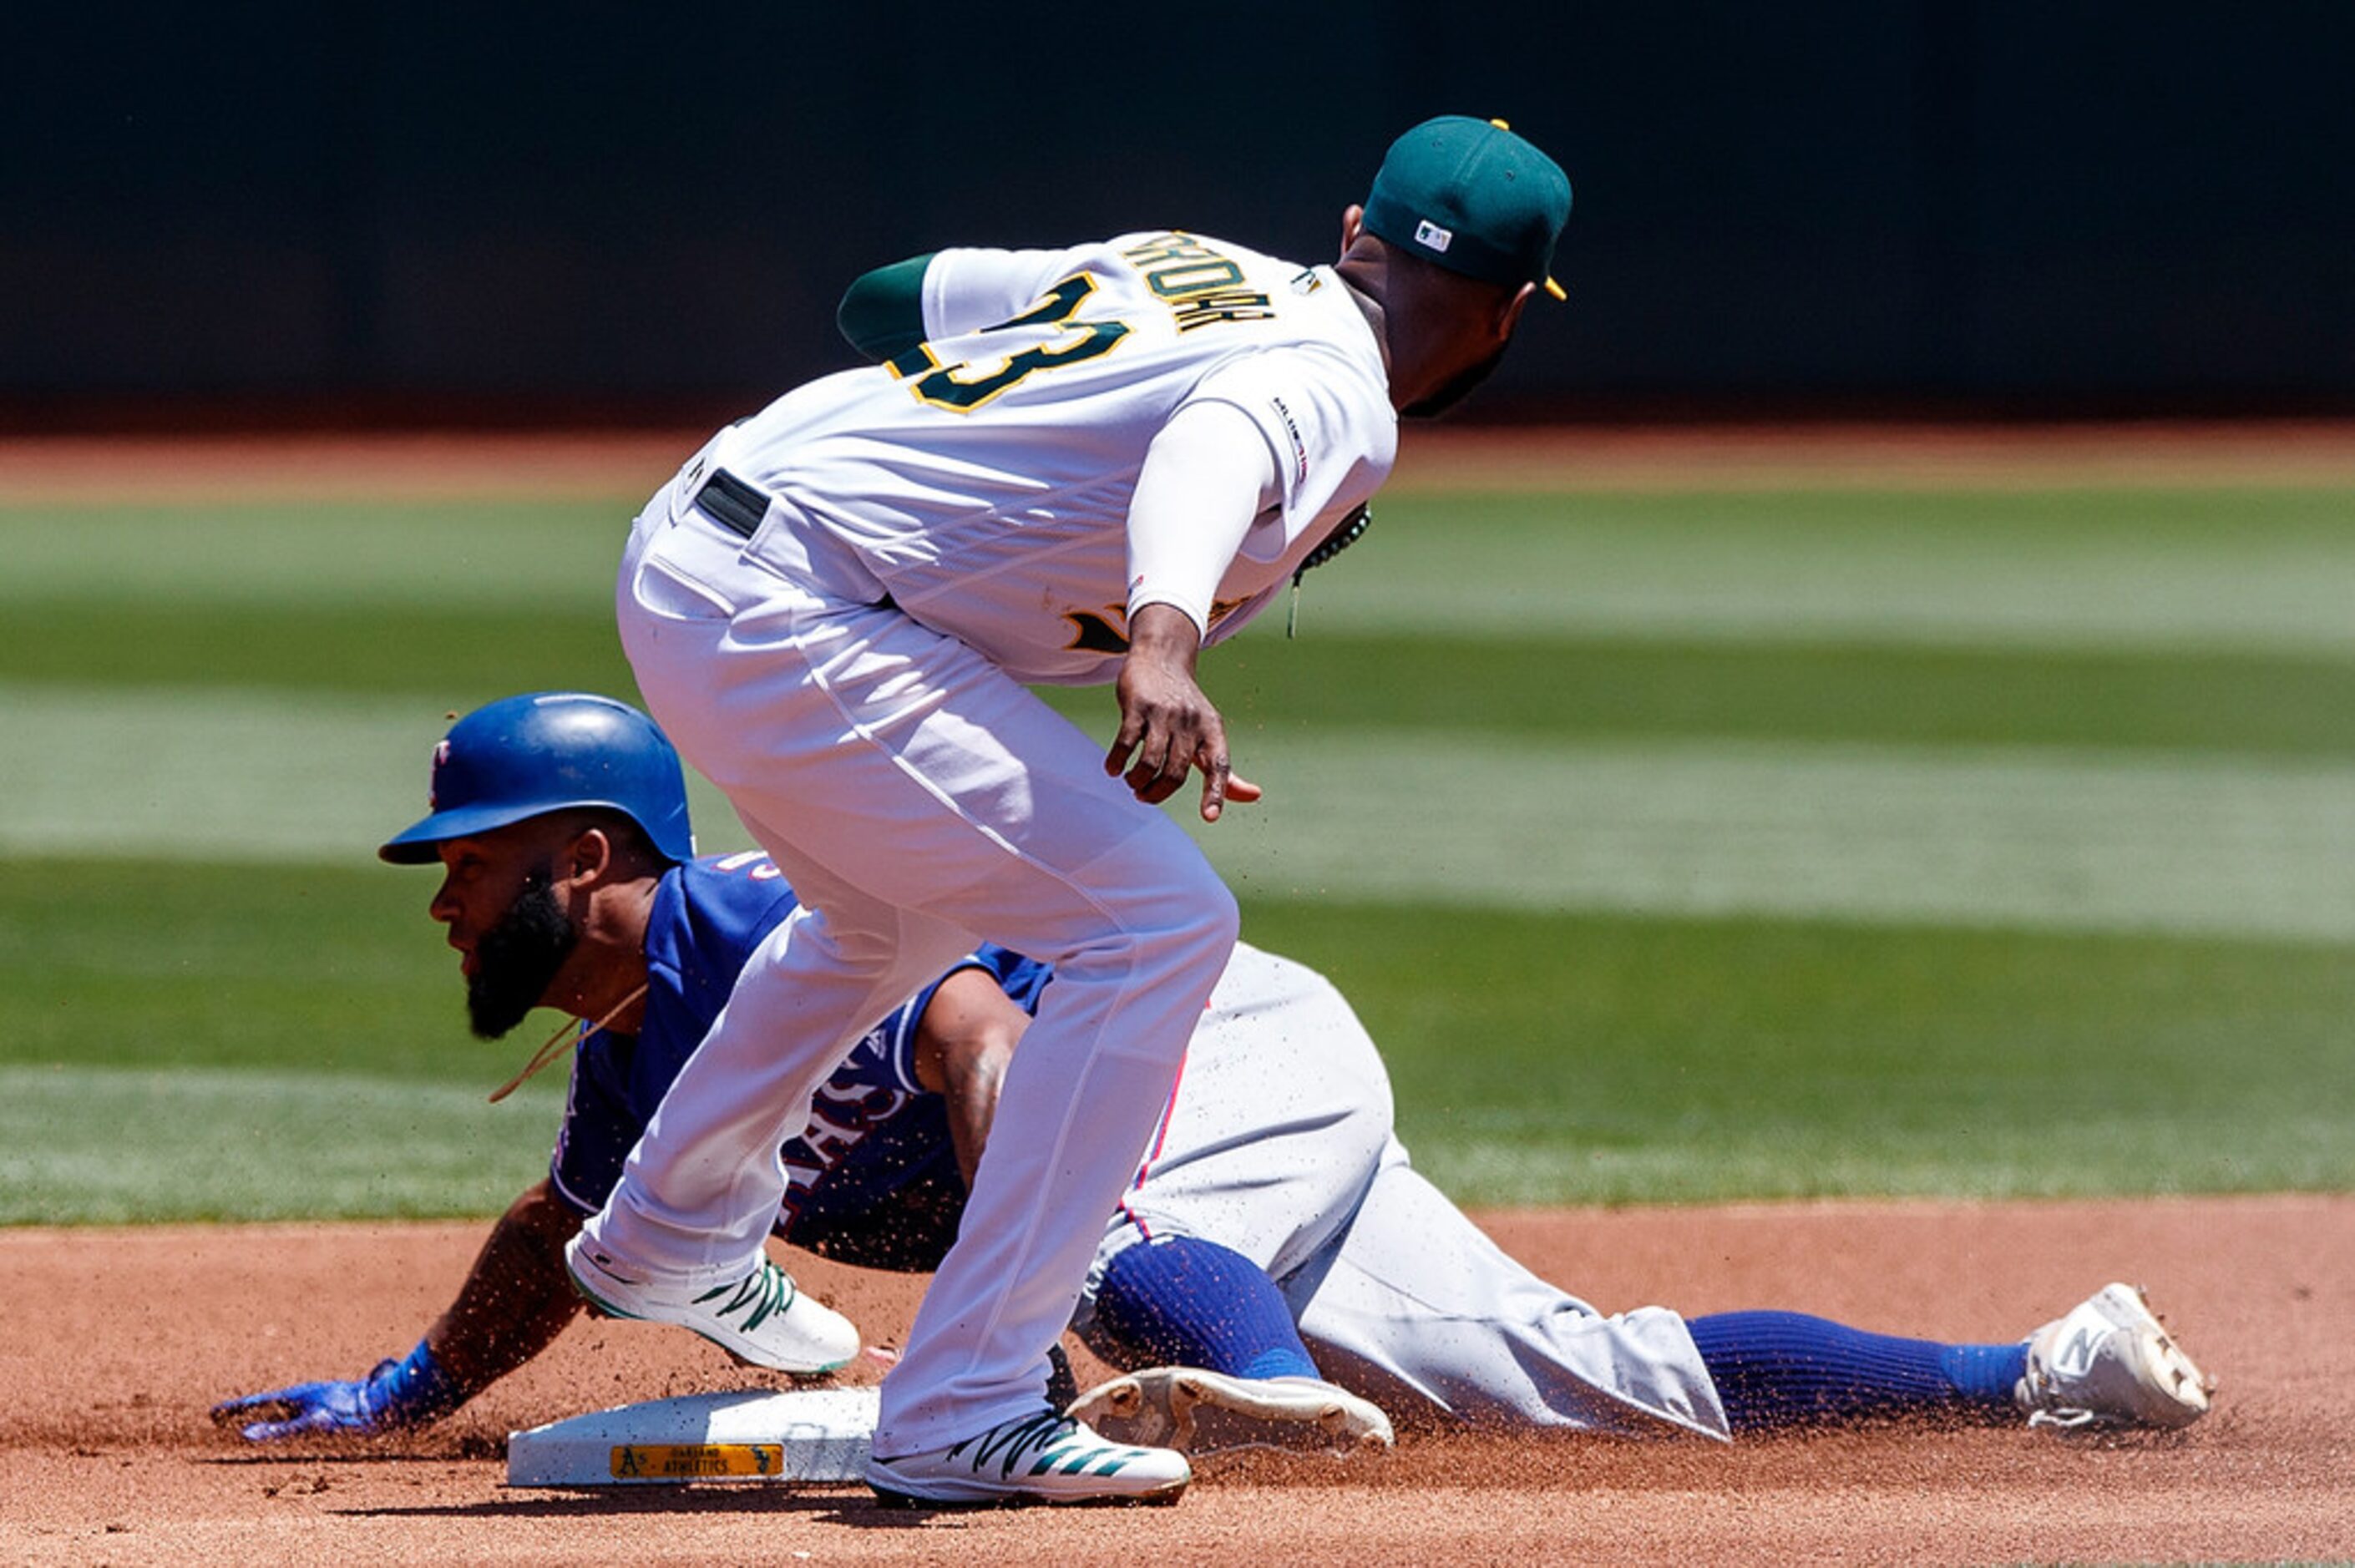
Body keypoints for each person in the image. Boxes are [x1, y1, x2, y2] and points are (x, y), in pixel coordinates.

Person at [215, 695, 2213, 1454]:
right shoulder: (639, 1069)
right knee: (1577, 1378)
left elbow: (983, 1035)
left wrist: (1020, 1311)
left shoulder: (760, 915)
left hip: (1212, 1043)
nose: (438, 905)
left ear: (581, 854)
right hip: (1208, 1124)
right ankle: (2044, 1375)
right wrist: (401, 1395)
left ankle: (1229, 1403)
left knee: (1092, 1240)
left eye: (462, 867)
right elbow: (564, 1232)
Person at [568, 113, 1577, 1506]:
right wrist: (1161, 638)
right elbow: (1214, 448)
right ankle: (968, 1399)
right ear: (1512, 314)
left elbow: (895, 299)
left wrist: (1007, 422)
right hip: (797, 604)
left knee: (888, 921)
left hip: (699, 549)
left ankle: (666, 1225)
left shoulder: (1184, 264)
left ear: (1357, 229)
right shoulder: (1340, 385)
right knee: (1162, 923)